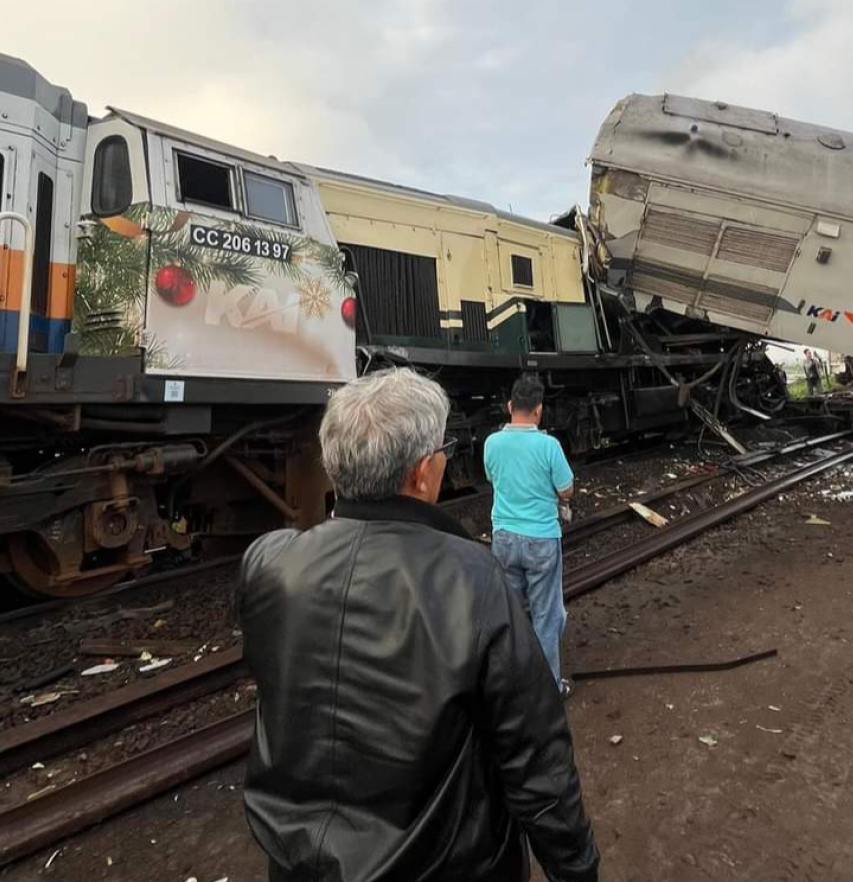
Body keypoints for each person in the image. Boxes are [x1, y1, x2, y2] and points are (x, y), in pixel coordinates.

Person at [238, 368, 599, 882]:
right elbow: (537, 762)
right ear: (422, 472)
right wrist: (577, 870)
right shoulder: (473, 579)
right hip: (447, 864)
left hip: (298, 867)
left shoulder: (268, 563)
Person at [484, 375, 575, 697]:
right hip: (541, 539)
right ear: (539, 410)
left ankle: (510, 686)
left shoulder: (491, 443)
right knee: (546, 615)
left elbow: (493, 478)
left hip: (504, 539)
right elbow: (566, 489)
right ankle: (549, 689)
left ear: (510, 406)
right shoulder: (549, 446)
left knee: (509, 614)